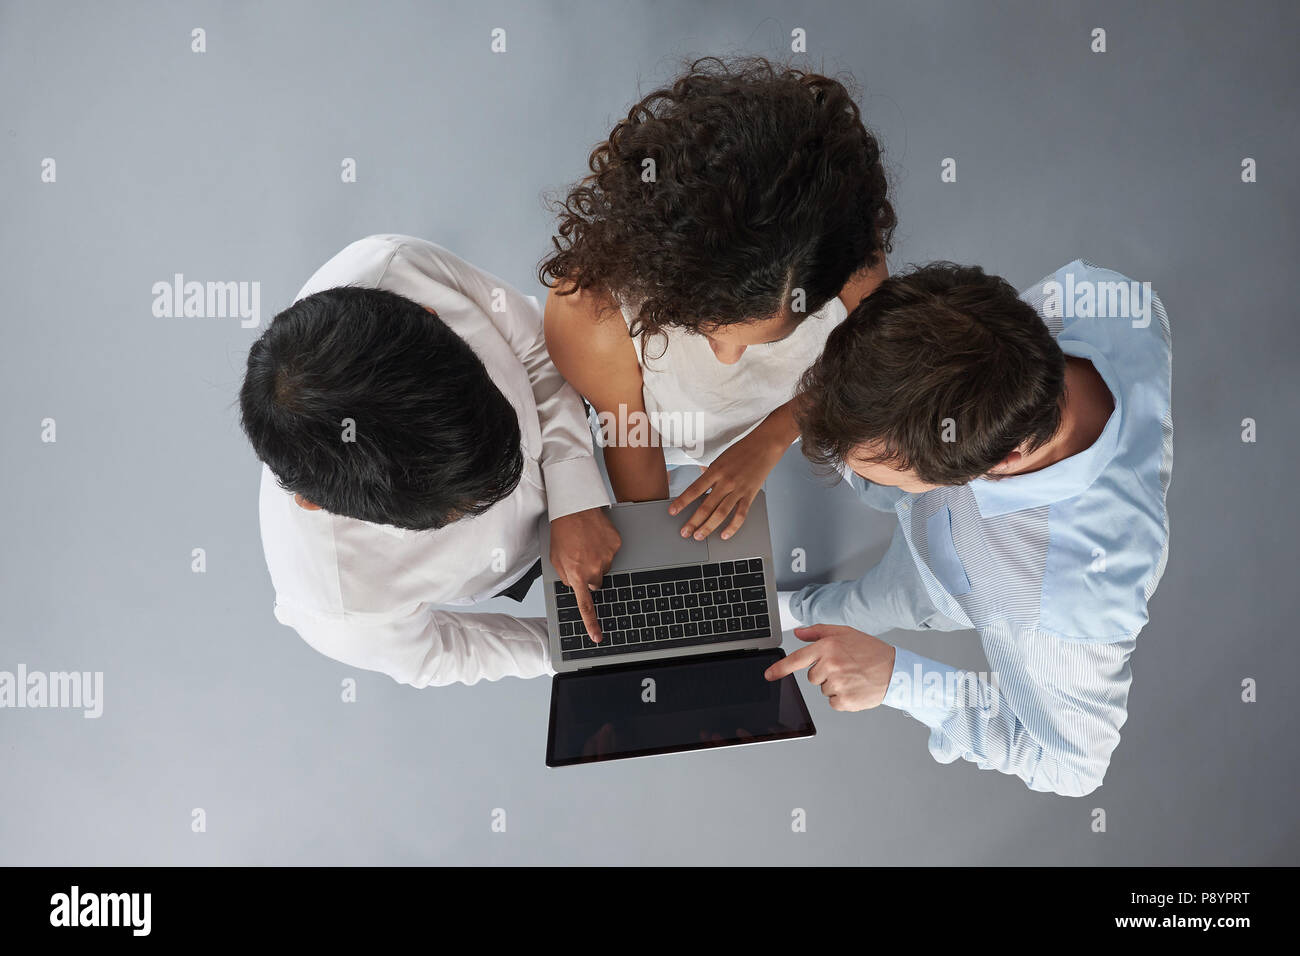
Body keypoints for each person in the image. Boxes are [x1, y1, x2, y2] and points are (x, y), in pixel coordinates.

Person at [769, 260, 1172, 796]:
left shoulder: (1067, 598)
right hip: (939, 475)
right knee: (884, 480)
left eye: (864, 457)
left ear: (998, 459)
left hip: (949, 582)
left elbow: (1071, 768)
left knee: (874, 603)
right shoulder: (1103, 297)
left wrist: (897, 677)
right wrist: (782, 434)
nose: (838, 458)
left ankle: (801, 614)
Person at [542, 56, 895, 542]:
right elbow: (629, 428)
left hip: (806, 405)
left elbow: (872, 354)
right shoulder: (590, 309)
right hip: (671, 429)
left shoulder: (839, 239)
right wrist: (661, 549)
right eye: (707, 329)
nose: (731, 357)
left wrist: (774, 436)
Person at [239, 235, 620, 686]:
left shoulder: (398, 267)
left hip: (583, 428)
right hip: (502, 562)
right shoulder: (335, 602)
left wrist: (574, 491)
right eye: (454, 512)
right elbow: (439, 654)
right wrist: (575, 647)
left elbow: (541, 347)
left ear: (431, 315)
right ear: (314, 503)